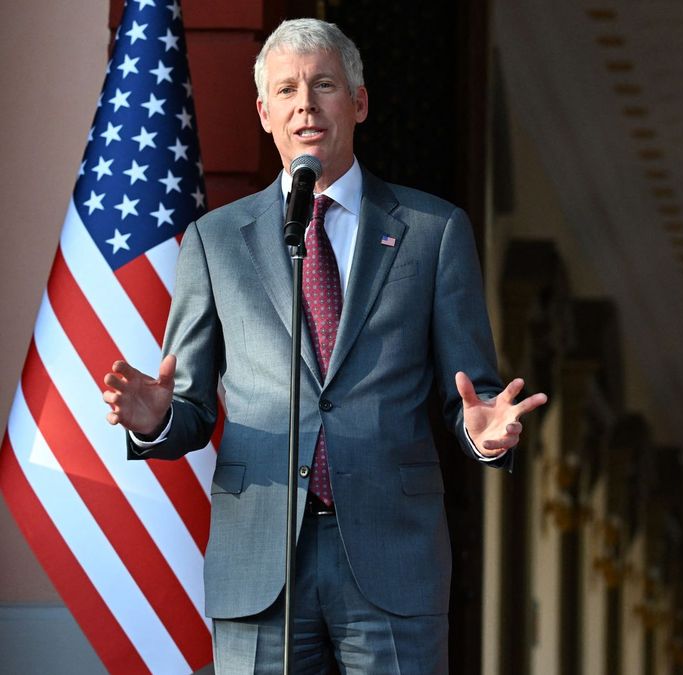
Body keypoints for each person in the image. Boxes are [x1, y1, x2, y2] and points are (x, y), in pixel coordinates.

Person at [100, 18, 546, 674]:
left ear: (359, 102)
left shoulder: (432, 231)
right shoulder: (216, 240)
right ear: (264, 112)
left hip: (392, 555)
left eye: (324, 84)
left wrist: (482, 432)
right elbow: (190, 403)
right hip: (262, 558)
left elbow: (468, 394)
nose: (305, 102)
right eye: (286, 90)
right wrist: (157, 418)